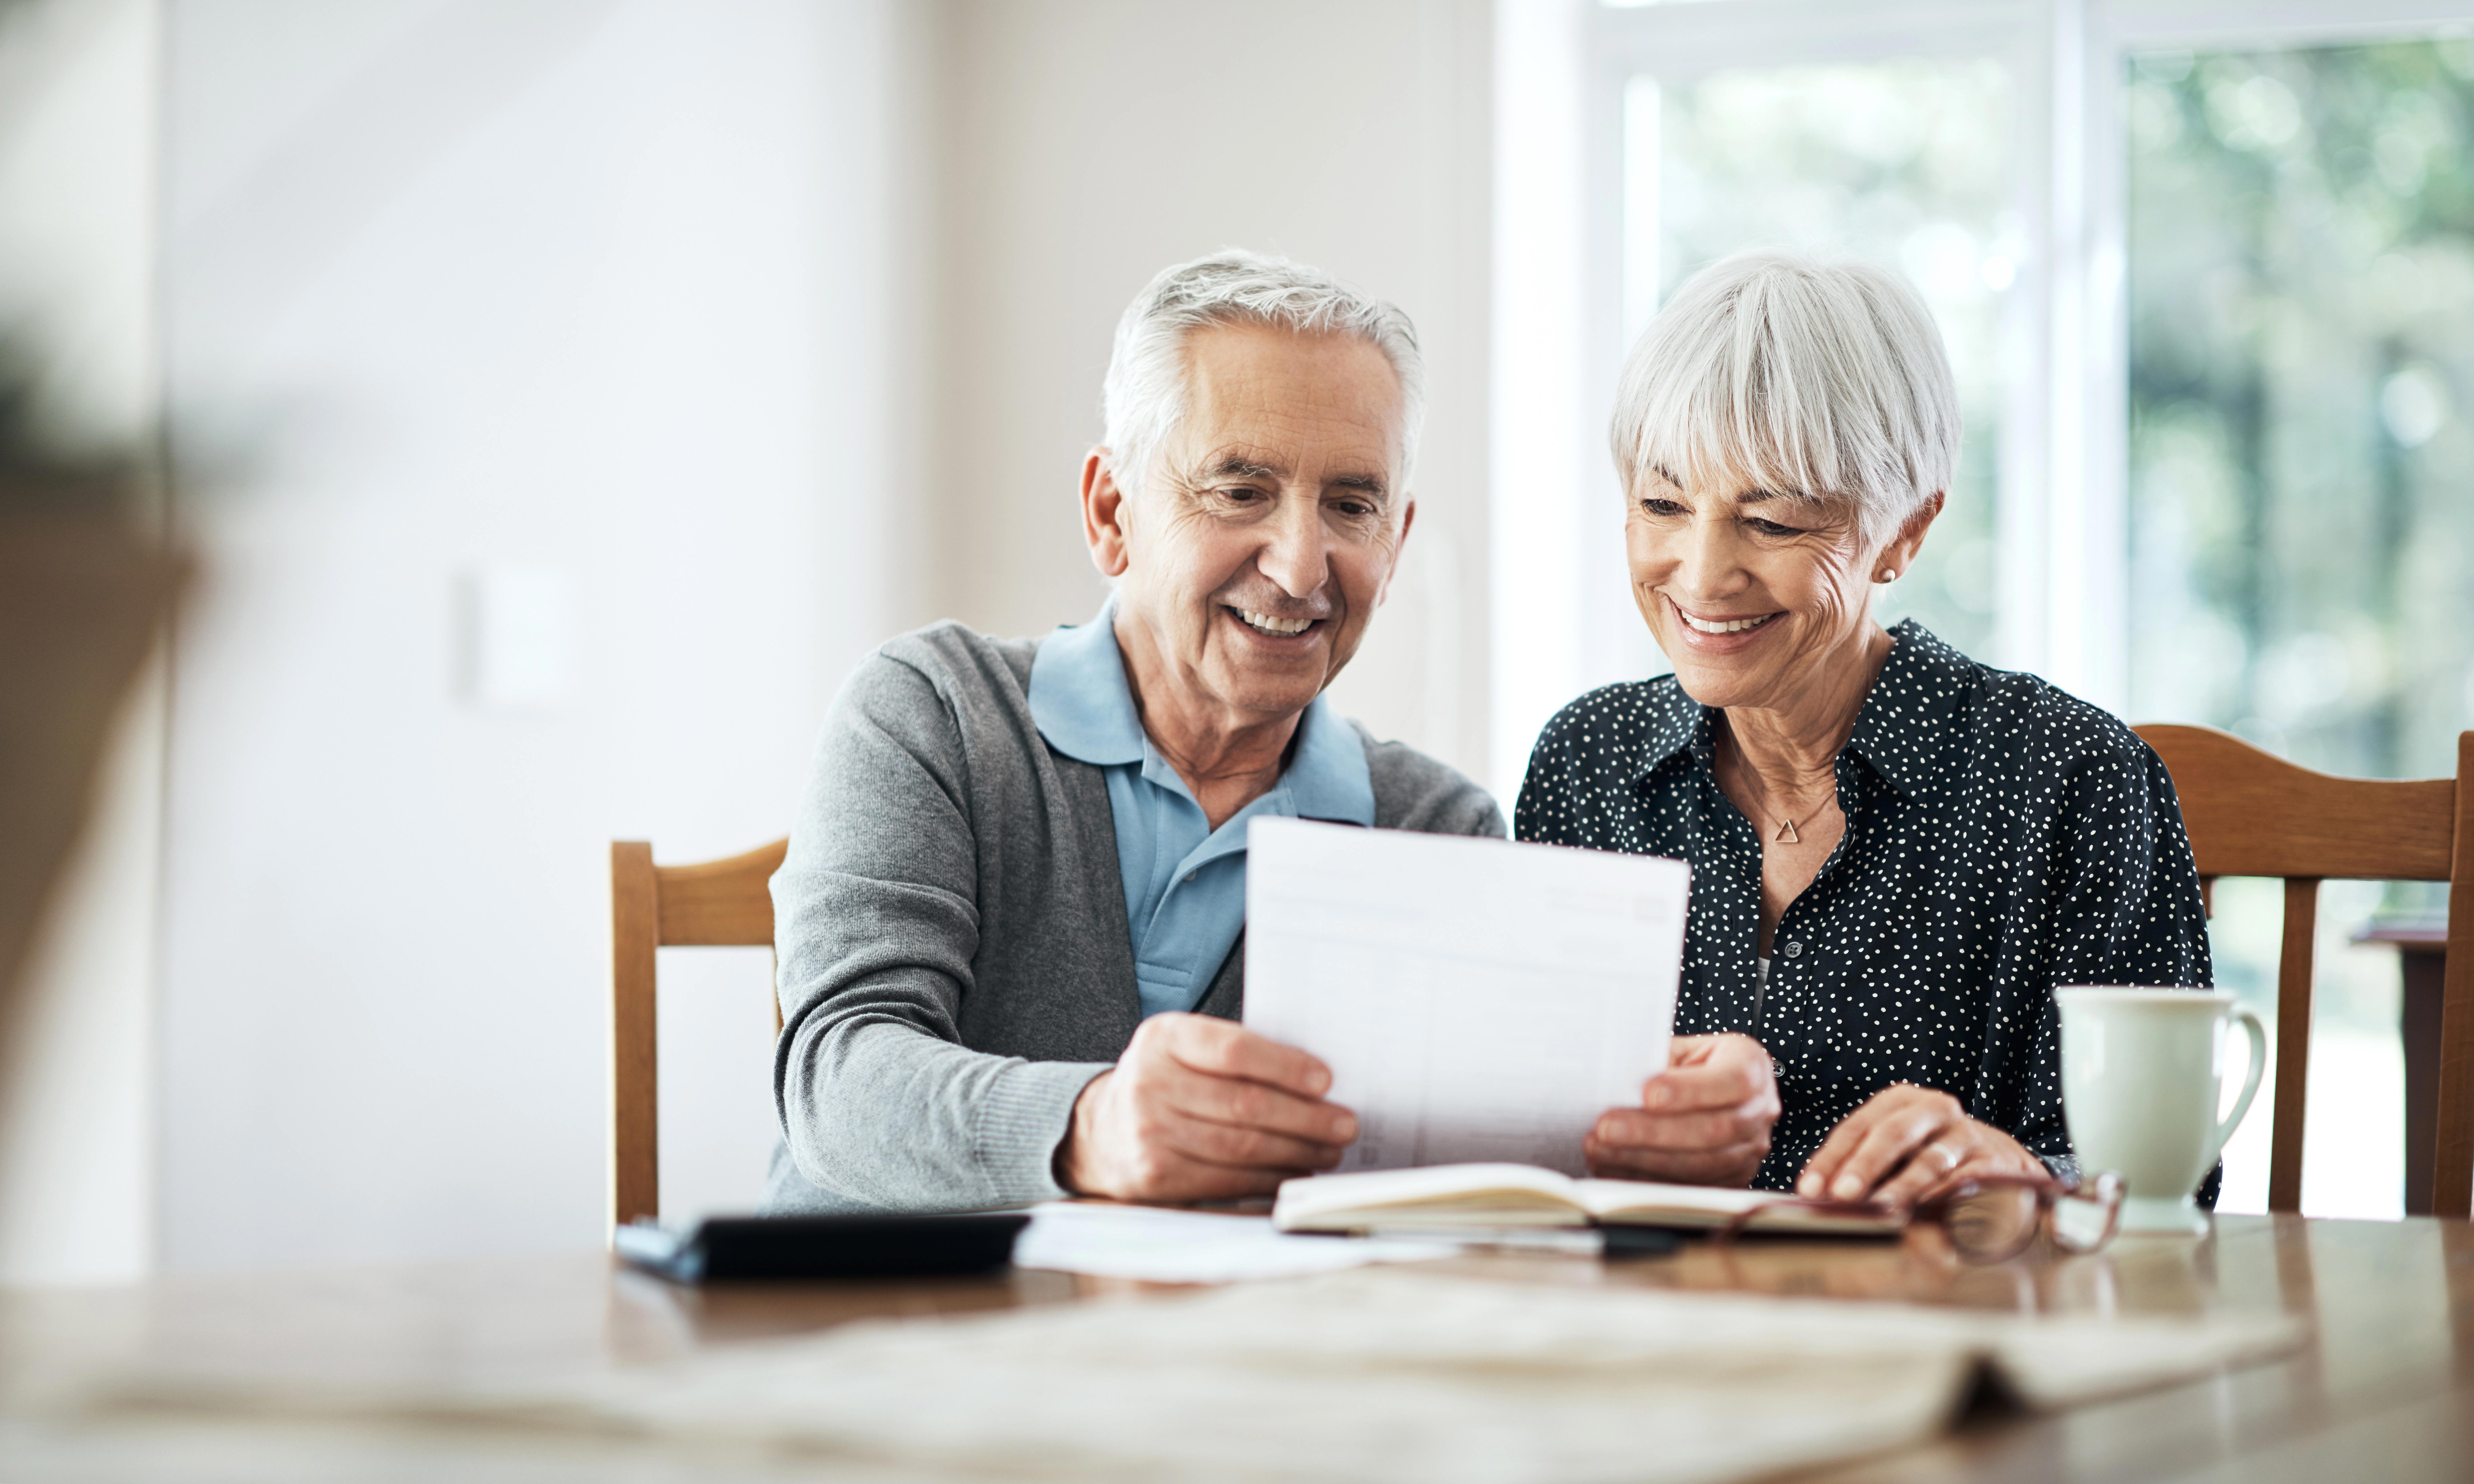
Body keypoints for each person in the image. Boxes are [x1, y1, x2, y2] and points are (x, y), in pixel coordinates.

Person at [766, 251, 1502, 1214]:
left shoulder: (1439, 829)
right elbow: (840, 1080)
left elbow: (1463, 1180)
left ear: (1394, 543)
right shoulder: (933, 712)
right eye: (1239, 491)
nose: (1297, 566)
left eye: (1350, 506)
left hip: (1242, 1350)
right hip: (898, 1333)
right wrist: (1096, 1127)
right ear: (1112, 513)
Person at [1516, 250, 2212, 1207]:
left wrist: (2016, 1173)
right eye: (1661, 505)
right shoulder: (1584, 763)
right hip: (1654, 1325)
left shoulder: (2073, 778)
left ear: (1905, 529)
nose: (1702, 574)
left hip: (1958, 1327)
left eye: (1771, 522)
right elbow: (1524, 1134)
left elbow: (2165, 1182)